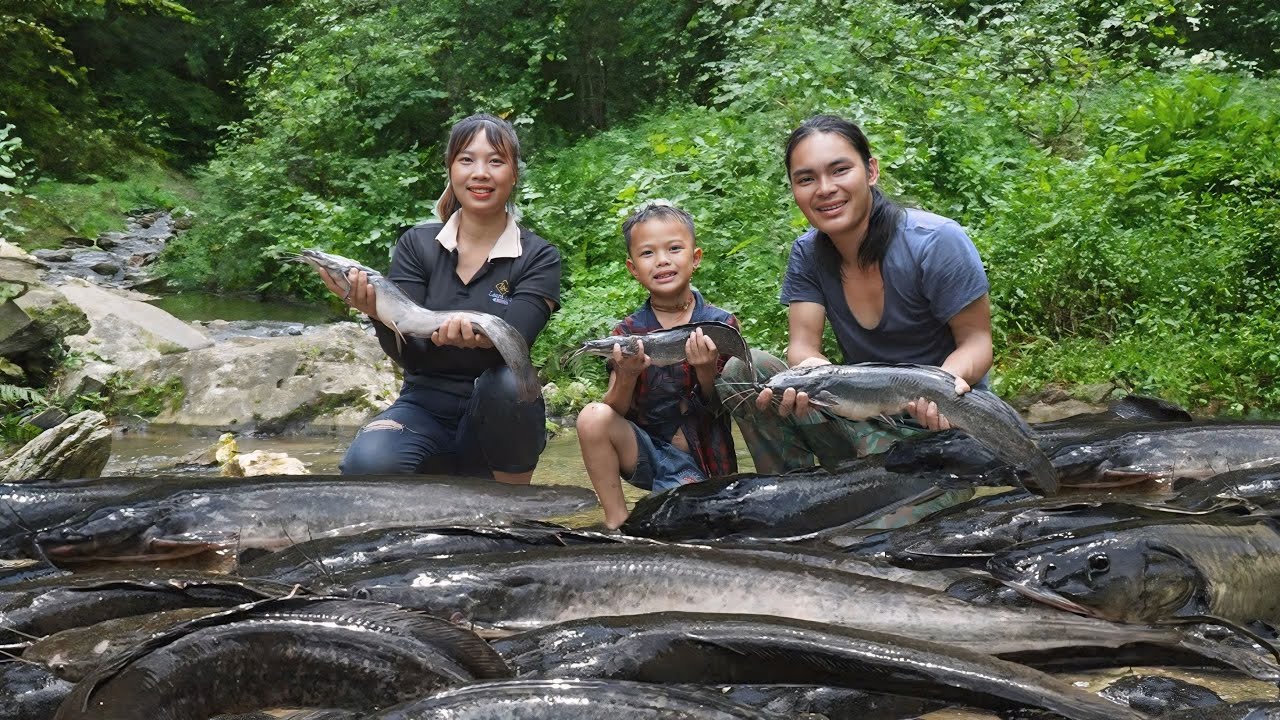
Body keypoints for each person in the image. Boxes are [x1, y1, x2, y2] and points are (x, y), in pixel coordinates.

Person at [724, 114, 993, 487]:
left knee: (888, 519)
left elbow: (977, 342)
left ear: (871, 171)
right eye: (806, 179)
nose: (824, 189)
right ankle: (790, 491)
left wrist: (941, 387)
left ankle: (896, 483)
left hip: (944, 427)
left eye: (839, 170)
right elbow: (802, 347)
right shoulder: (808, 253)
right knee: (743, 371)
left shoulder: (936, 241)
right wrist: (816, 383)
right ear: (794, 189)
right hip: (864, 415)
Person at [311, 113, 561, 483]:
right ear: (450, 170)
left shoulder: (538, 256)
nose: (480, 173)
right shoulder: (417, 245)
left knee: (508, 383)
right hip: (423, 406)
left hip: (498, 413)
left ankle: (515, 506)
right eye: (467, 160)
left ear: (513, 174)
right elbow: (410, 354)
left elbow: (514, 345)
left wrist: (474, 339)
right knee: (366, 468)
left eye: (495, 161)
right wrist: (377, 314)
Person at [576, 201, 741, 528]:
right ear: (633, 268)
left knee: (685, 530)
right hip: (650, 455)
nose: (662, 260)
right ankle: (616, 522)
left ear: (695, 259)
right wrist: (626, 376)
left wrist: (706, 372)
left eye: (674, 249)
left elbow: (726, 410)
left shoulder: (719, 326)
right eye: (648, 253)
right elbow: (613, 411)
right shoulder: (627, 333)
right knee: (592, 417)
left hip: (705, 463)